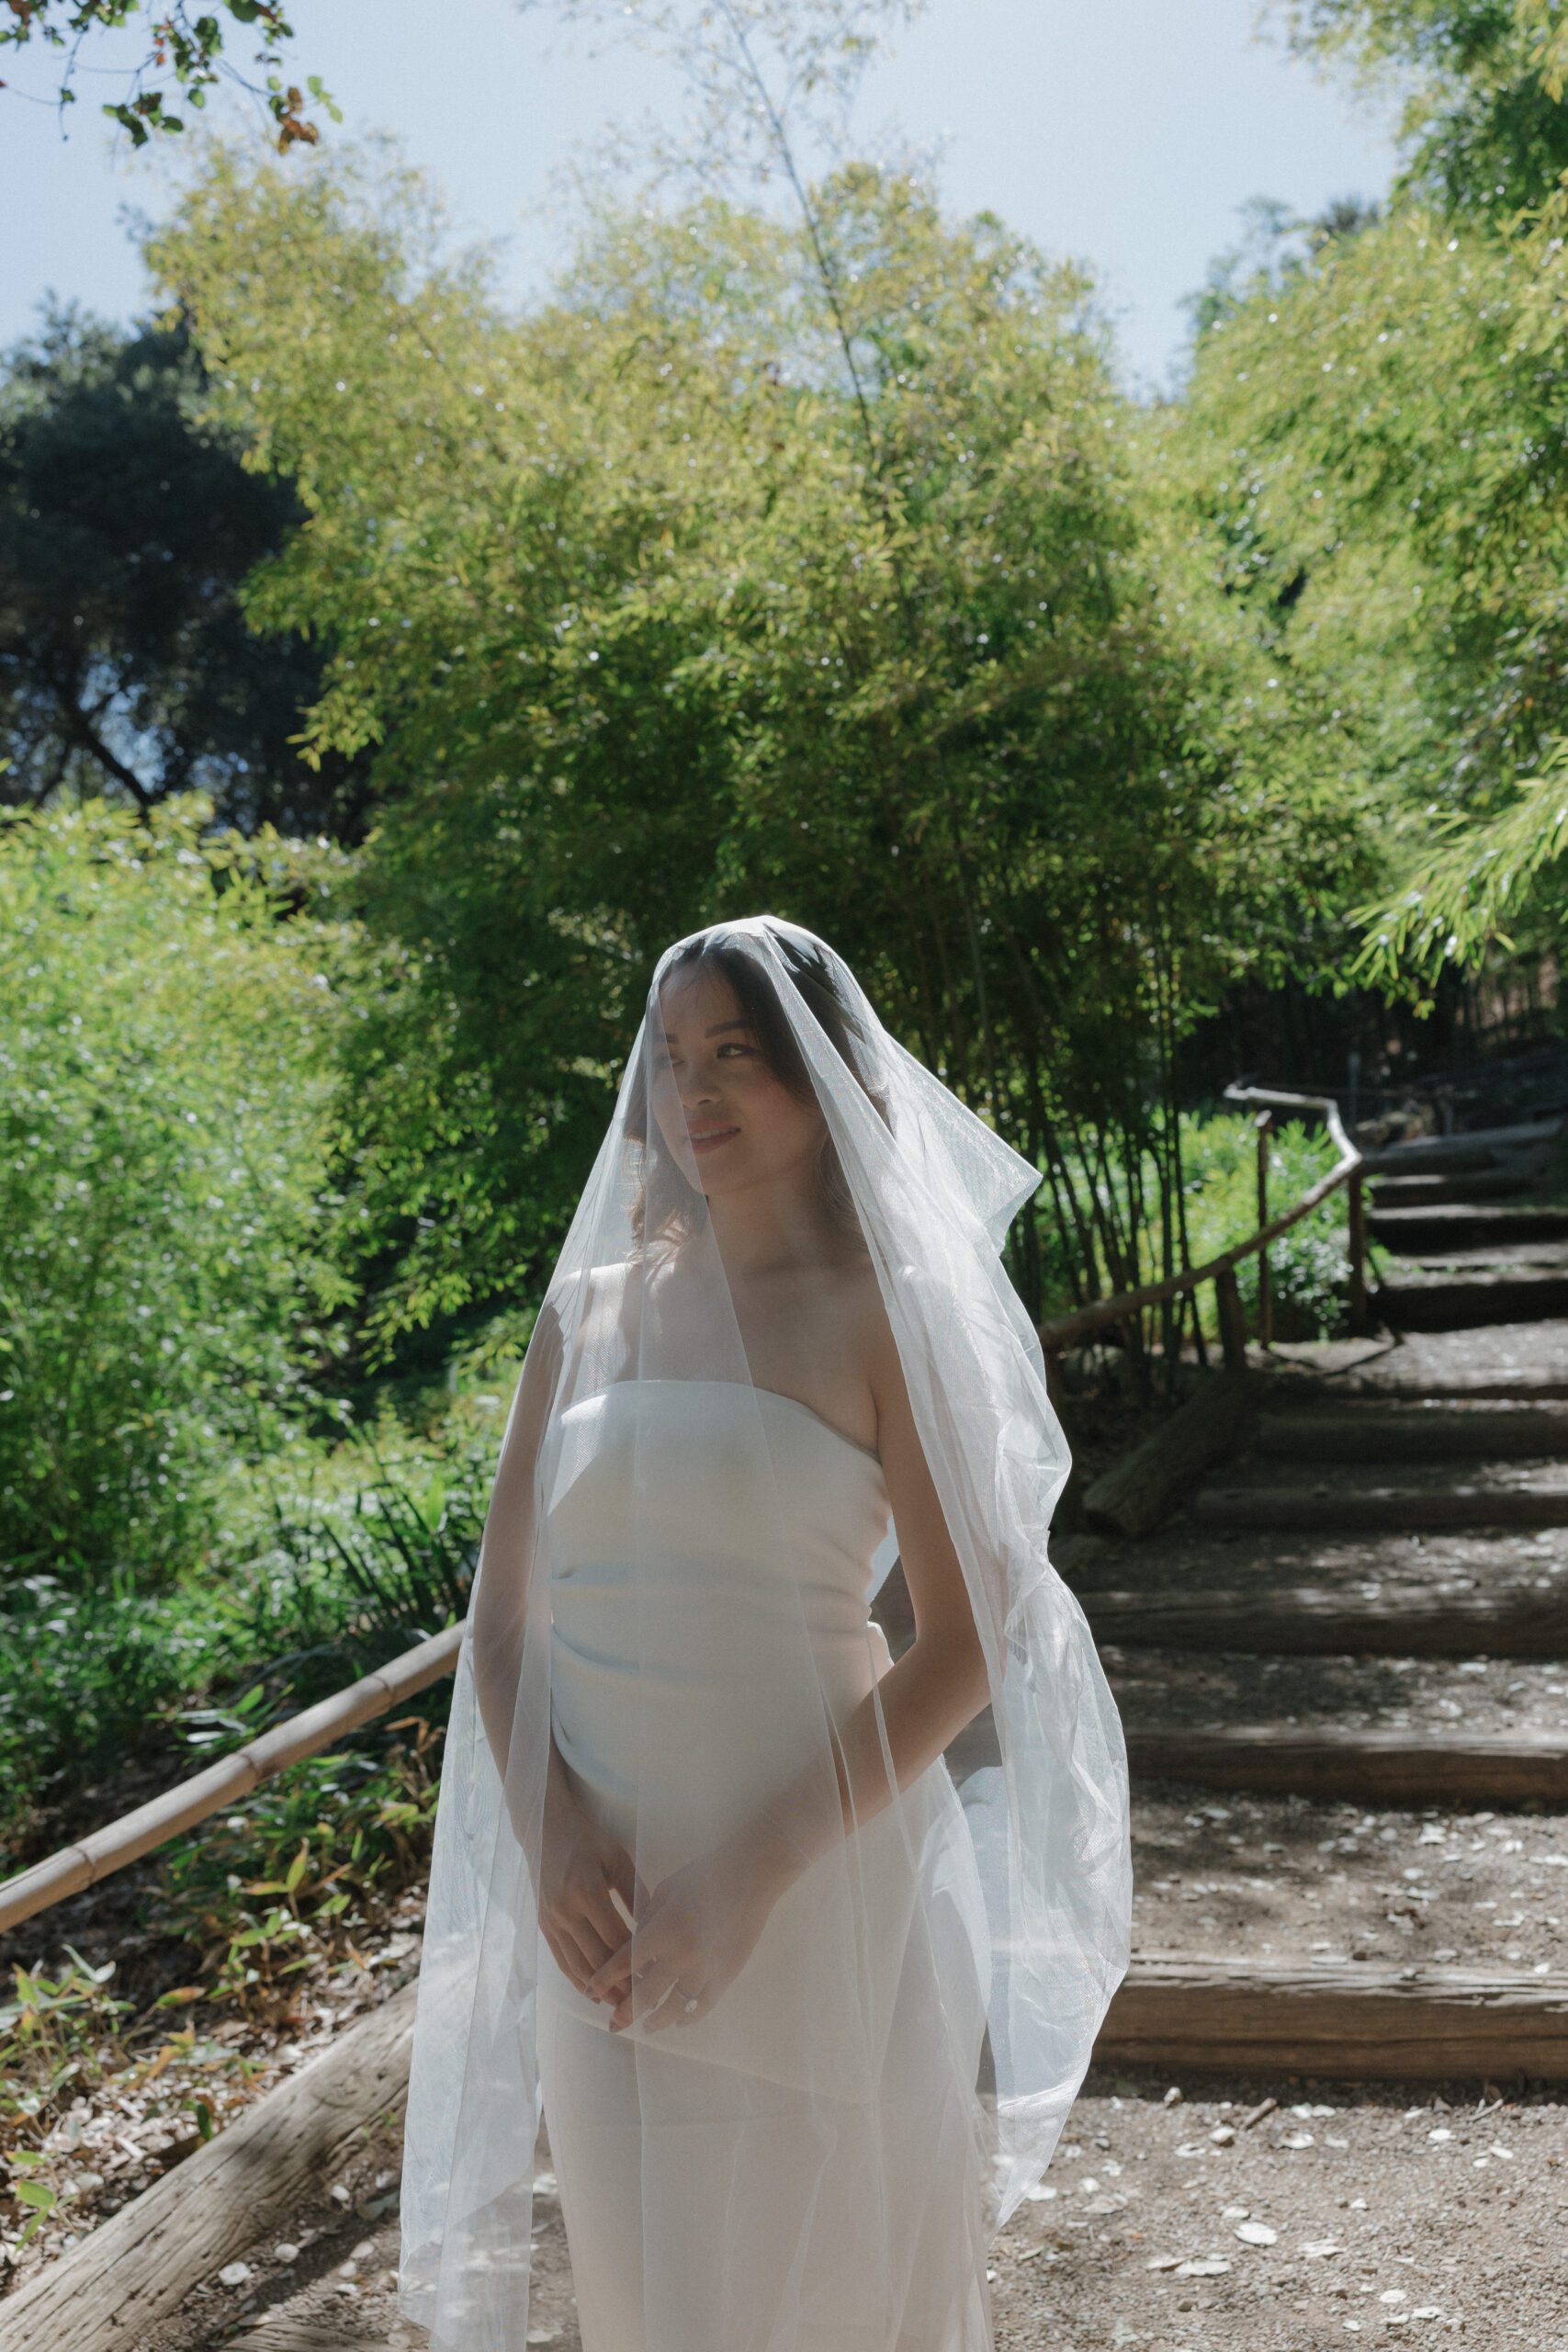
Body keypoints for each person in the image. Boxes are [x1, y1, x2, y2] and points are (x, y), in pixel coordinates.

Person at [397, 916, 1132, 2352]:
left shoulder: (887, 1315)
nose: (694, 1090)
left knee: (837, 2301)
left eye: (735, 1049)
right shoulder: (585, 1315)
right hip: (599, 1911)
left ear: (826, 1076)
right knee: (655, 2305)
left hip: (822, 1883)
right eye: (671, 1057)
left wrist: (752, 1875)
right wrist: (550, 1839)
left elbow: (971, 1637)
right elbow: (500, 1627)